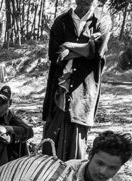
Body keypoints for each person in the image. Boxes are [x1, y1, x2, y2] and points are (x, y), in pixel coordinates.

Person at [41, 0, 111, 161]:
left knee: (77, 133)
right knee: (53, 132)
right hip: (60, 84)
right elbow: (54, 54)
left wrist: (68, 45)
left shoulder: (102, 20)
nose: (84, 3)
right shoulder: (62, 21)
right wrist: (85, 48)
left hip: (84, 85)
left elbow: (98, 51)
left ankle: (72, 176)